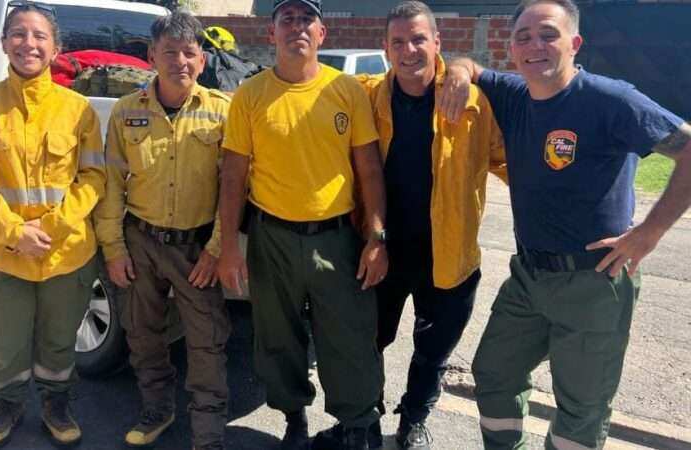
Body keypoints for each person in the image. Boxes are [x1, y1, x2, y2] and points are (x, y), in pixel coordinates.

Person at [442, 0, 691, 448]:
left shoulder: (610, 99)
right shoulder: (514, 94)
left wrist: (649, 233)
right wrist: (459, 72)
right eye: (523, 37)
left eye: (548, 34)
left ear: (574, 43)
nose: (535, 45)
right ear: (512, 49)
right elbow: (466, 64)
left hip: (595, 280)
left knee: (581, 407)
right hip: (529, 276)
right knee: (494, 372)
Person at [216, 1, 388, 449]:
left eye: (306, 19)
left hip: (336, 238)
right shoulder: (251, 95)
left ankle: (356, 425)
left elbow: (369, 169)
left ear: (322, 34)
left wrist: (376, 237)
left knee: (347, 338)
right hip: (271, 237)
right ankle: (294, 419)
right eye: (287, 19)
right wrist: (230, 248)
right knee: (277, 337)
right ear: (271, 34)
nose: (297, 27)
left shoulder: (346, 90)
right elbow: (233, 174)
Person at [344, 2, 508, 449]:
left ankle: (413, 418)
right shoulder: (364, 97)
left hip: (450, 255)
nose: (409, 49)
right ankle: (366, 415)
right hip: (380, 249)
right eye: (398, 41)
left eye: (419, 39)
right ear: (385, 49)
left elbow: (514, 163)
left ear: (438, 43)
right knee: (367, 342)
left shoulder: (473, 103)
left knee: (432, 353)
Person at [0, 3, 106, 448]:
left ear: (56, 48)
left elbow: (94, 177)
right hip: (3, 252)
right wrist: (14, 231)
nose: (28, 43)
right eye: (18, 34)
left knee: (59, 344)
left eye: (39, 36)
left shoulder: (79, 110)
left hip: (66, 251)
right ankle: (7, 407)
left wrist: (52, 228)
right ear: (4, 44)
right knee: (4, 343)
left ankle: (57, 405)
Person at [93, 11, 231, 450]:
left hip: (196, 249)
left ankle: (208, 433)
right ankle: (157, 409)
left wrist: (216, 249)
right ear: (151, 56)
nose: (180, 61)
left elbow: (235, 188)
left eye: (189, 52)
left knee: (207, 343)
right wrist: (113, 249)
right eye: (169, 52)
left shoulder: (222, 112)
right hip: (141, 241)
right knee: (142, 332)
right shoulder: (126, 111)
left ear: (203, 60)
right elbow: (112, 184)